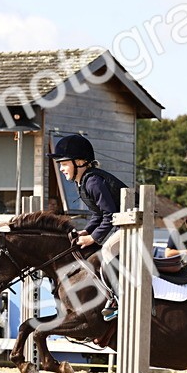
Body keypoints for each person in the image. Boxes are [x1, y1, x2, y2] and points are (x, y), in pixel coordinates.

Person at [49, 134, 126, 319]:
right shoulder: (83, 182)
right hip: (122, 223)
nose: (61, 169)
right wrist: (86, 231)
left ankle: (118, 300)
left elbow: (109, 215)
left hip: (134, 224)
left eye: (64, 164)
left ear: (80, 162)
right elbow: (98, 214)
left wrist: (93, 238)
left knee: (107, 251)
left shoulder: (93, 182)